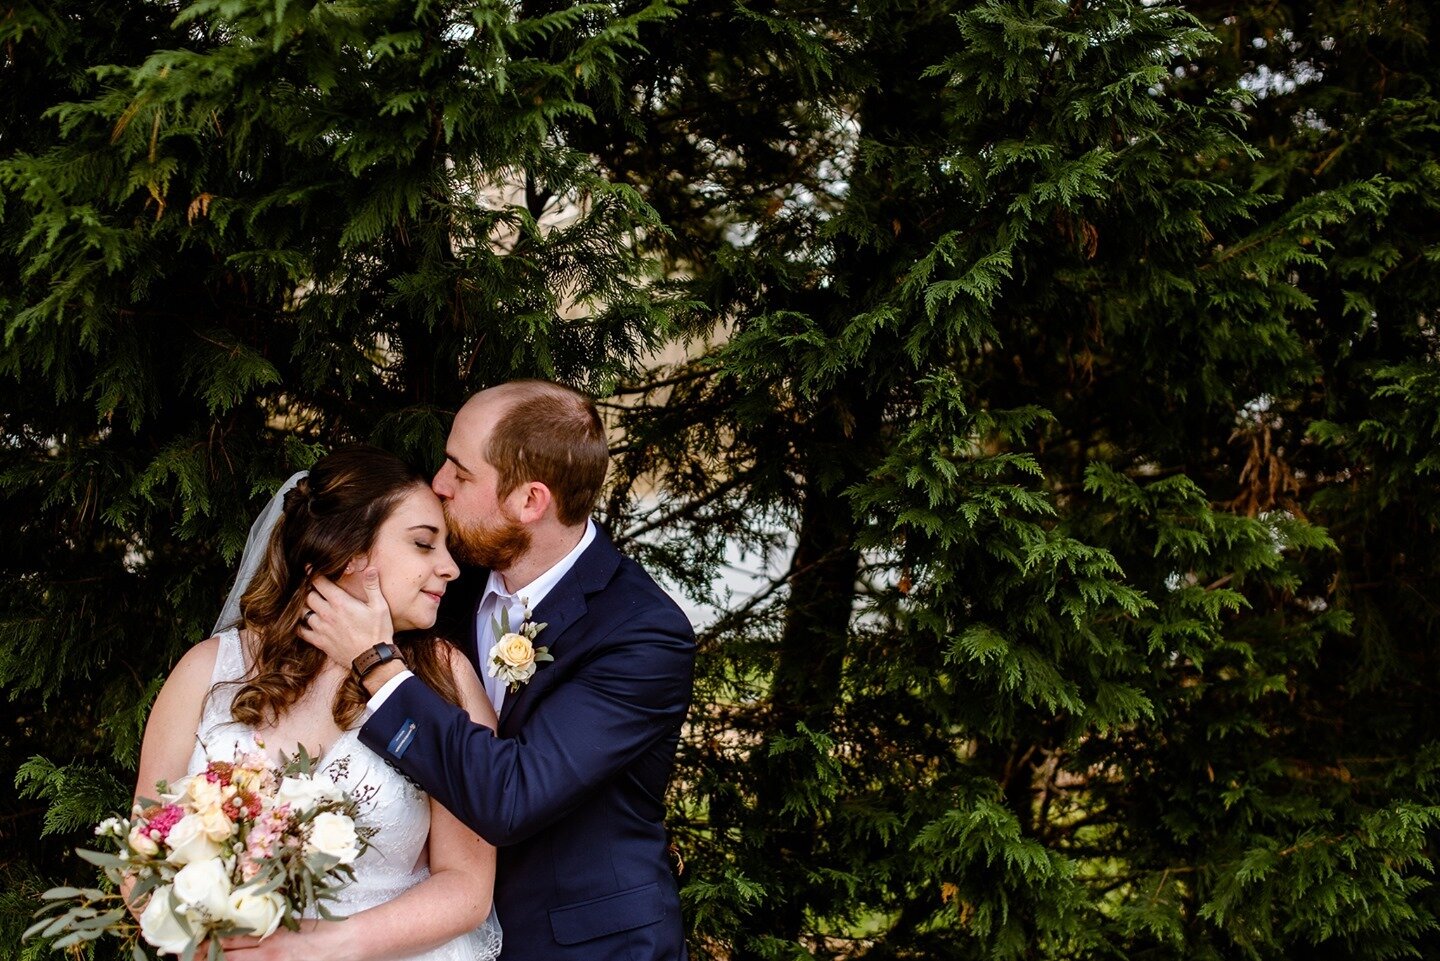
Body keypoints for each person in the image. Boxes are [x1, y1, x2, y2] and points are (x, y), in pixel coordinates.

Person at [300, 380, 697, 961]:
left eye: (460, 474)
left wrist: (378, 667)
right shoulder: (440, 580)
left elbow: (513, 796)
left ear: (530, 501)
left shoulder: (641, 634)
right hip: (435, 936)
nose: (438, 484)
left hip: (582, 947)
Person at [133, 447, 503, 961]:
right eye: (423, 544)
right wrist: (202, 938)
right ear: (349, 553)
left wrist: (314, 949)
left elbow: (467, 887)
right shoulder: (209, 670)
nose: (450, 568)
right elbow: (144, 851)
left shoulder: (446, 678)